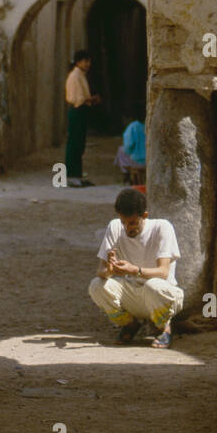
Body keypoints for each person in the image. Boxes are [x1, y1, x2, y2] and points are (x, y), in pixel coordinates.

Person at [89, 187, 184, 348]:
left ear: (144, 216)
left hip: (160, 296)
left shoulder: (162, 227)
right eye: (123, 222)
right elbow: (101, 271)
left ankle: (164, 327)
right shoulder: (114, 227)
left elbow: (163, 272)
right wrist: (110, 271)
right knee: (96, 286)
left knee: (153, 286)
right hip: (133, 295)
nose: (127, 228)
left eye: (132, 222)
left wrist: (134, 270)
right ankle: (130, 324)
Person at [64, 49, 101, 188]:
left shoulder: (81, 75)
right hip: (76, 111)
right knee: (74, 143)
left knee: (79, 144)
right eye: (86, 61)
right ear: (79, 61)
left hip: (81, 111)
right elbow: (77, 99)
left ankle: (77, 175)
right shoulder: (75, 76)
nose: (88, 64)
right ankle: (71, 176)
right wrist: (91, 99)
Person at [115, 106, 146, 185]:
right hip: (150, 157)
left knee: (121, 150)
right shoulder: (150, 124)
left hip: (138, 159)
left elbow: (128, 146)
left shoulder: (133, 126)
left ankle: (126, 173)